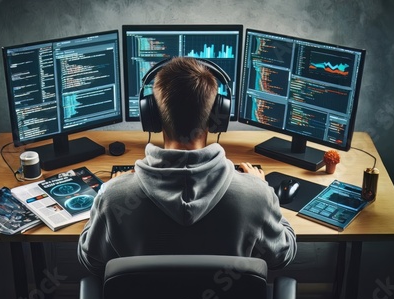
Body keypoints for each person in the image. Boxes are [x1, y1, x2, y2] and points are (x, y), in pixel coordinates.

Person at [77, 57, 297, 277]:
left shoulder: (114, 199)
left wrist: (107, 191)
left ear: (151, 116)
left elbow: (90, 260)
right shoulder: (257, 196)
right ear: (215, 119)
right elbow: (282, 256)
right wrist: (264, 191)